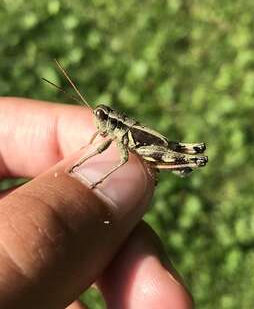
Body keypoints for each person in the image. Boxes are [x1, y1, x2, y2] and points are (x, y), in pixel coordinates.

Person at [0, 97, 193, 309]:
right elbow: (102, 141)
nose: (98, 121)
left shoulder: (122, 133)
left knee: (121, 159)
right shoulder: (112, 131)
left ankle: (187, 158)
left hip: (154, 149)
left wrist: (98, 179)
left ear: (112, 120)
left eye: (101, 117)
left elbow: (123, 159)